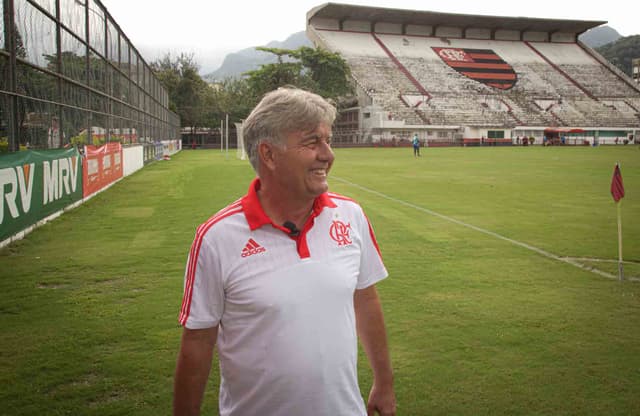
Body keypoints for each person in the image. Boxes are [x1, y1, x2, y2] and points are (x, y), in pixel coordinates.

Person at [174, 87, 396, 416]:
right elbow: (198, 342)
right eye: (311, 142)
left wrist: (384, 382)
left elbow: (365, 298)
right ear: (269, 155)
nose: (328, 154)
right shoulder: (216, 237)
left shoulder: (351, 216)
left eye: (328, 140)